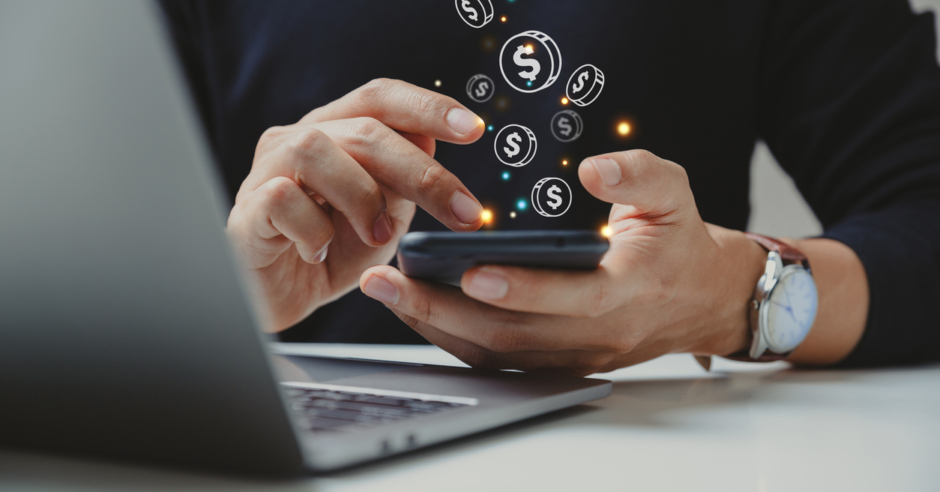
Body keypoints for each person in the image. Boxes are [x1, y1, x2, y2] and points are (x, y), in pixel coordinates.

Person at [160, 0, 940, 373]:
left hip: (663, 457)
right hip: (292, 450)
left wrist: (741, 297)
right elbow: (80, 251)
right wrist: (221, 300)